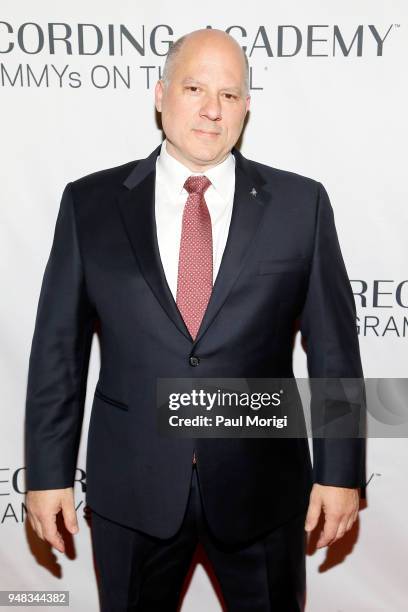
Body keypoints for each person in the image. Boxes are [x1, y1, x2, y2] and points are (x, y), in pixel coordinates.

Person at [25, 28, 365, 611]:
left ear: (248, 107)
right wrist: (48, 473)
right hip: (132, 490)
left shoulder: (300, 206)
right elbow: (59, 351)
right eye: (194, 88)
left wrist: (341, 474)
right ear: (160, 95)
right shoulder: (90, 204)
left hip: (263, 489)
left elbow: (335, 350)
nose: (212, 109)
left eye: (230, 95)